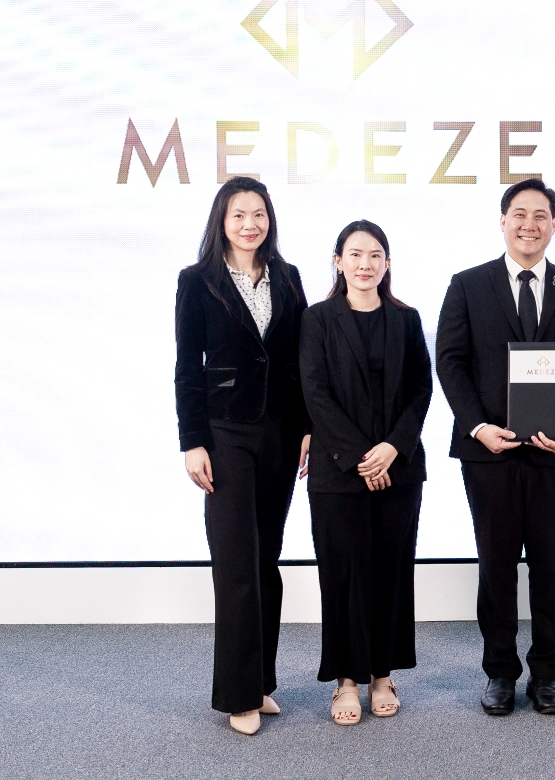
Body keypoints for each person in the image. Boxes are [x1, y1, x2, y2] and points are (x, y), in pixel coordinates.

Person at [435, 178, 555, 716]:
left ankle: (548, 675)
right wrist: (476, 427)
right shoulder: (468, 285)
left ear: (553, 224)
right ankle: (500, 672)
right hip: (489, 452)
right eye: (519, 214)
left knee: (552, 567)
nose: (529, 224)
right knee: (497, 566)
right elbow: (450, 362)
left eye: (540, 215)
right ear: (503, 221)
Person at [174, 176, 309, 736]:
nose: (250, 224)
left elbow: (302, 359)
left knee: (266, 562)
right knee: (235, 565)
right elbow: (187, 367)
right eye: (239, 215)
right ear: (222, 222)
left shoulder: (288, 276)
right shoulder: (197, 281)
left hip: (280, 433)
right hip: (225, 433)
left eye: (259, 214)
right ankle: (237, 696)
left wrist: (307, 427)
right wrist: (191, 441)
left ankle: (260, 682)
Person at [299, 221, 432, 726]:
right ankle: (347, 681)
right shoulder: (317, 319)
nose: (365, 264)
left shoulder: (406, 319)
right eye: (355, 254)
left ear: (387, 263)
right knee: (344, 574)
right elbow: (315, 393)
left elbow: (421, 389)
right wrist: (362, 457)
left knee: (391, 572)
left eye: (375, 255)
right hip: (338, 472)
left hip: (399, 469)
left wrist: (392, 448)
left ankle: (382, 675)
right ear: (338, 261)